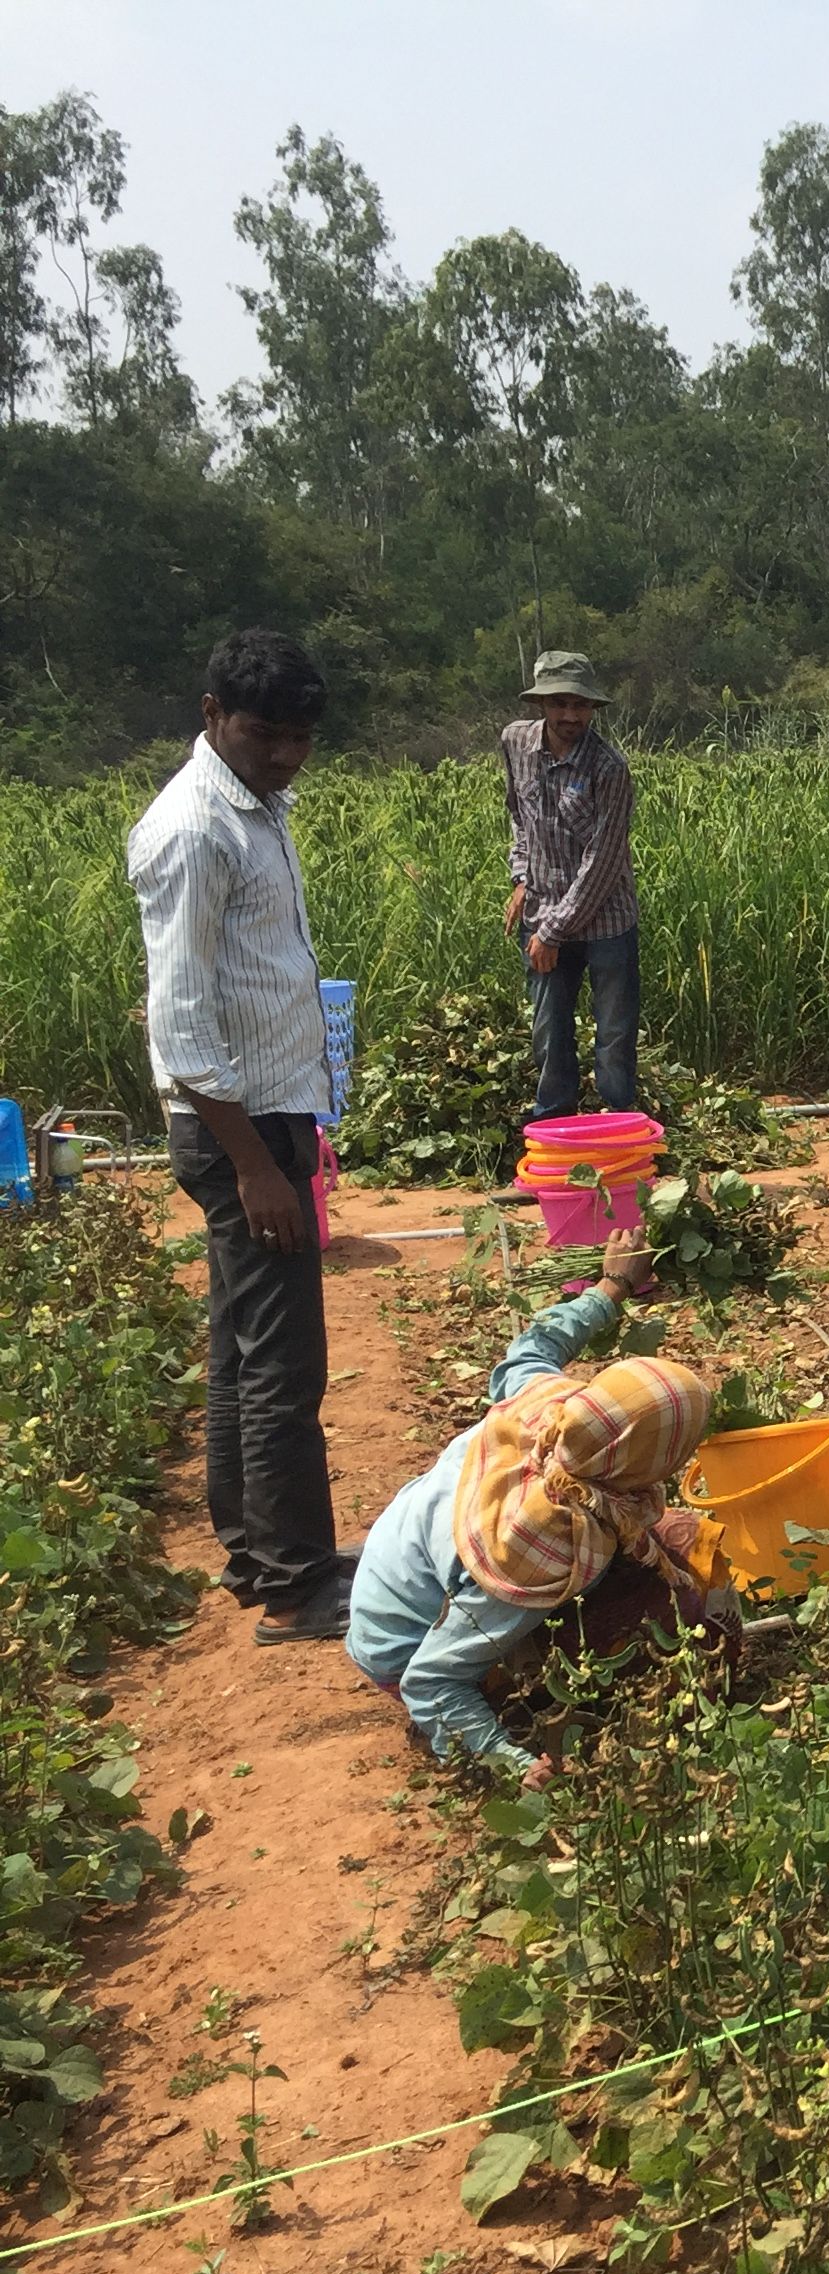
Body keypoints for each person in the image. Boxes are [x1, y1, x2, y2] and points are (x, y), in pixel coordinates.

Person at [128, 629, 350, 1640]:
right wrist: (257, 1166)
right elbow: (178, 1024)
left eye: (300, 736)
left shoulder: (257, 804)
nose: (286, 753)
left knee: (239, 1350)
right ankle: (298, 1586)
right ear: (214, 712)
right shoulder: (193, 829)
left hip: (270, 1110)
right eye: (266, 733)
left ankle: (258, 1553)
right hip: (240, 1128)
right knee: (282, 1365)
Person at [344, 1234, 728, 1789]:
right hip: (400, 1655)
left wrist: (610, 1287)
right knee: (665, 1594)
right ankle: (490, 1705)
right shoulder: (537, 1545)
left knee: (659, 1544)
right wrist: (512, 1763)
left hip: (396, 1581)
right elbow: (430, 1680)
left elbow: (533, 1349)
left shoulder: (551, 1413)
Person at [502, 650, 640, 1120]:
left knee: (614, 1034)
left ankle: (619, 1123)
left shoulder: (609, 769)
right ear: (541, 704)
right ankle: (555, 1123)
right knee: (549, 1028)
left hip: (606, 921)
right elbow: (518, 818)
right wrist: (521, 877)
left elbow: (603, 861)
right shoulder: (516, 743)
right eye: (559, 703)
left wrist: (552, 931)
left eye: (579, 706)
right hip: (542, 915)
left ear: (592, 710)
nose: (569, 715)